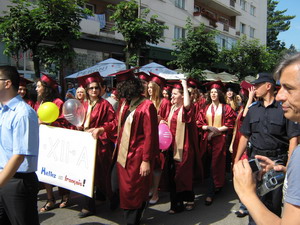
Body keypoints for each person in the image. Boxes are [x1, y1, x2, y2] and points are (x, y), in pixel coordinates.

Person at [234, 53, 300, 225]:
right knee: (256, 210)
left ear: (268, 86)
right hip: (256, 160)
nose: (254, 88)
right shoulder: (254, 109)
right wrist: (236, 159)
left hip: (277, 159)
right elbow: (244, 135)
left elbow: (293, 138)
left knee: (273, 205)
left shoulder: (284, 109)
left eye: (289, 88)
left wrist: (289, 166)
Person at [97, 68, 159, 225]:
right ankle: (135, 211)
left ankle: (132, 220)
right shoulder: (125, 103)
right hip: (122, 154)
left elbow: (150, 136)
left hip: (137, 157)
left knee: (133, 190)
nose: (119, 88)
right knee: (119, 187)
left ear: (130, 85)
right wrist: (102, 128)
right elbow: (116, 123)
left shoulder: (146, 106)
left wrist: (146, 160)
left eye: (121, 85)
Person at [0, 65, 40, 225]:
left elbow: (18, 156)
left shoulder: (23, 113)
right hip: (4, 177)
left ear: (7, 83)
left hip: (18, 182)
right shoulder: (3, 110)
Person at [76, 72, 116, 218]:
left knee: (103, 175)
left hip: (100, 145)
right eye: (91, 88)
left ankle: (113, 198)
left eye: (96, 88)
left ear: (100, 89)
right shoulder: (83, 104)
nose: (94, 91)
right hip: (85, 145)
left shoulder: (105, 105)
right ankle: (88, 205)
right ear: (86, 90)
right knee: (86, 175)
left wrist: (100, 129)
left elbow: (113, 123)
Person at [162, 80, 201, 214]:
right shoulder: (172, 108)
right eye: (171, 94)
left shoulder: (185, 110)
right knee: (174, 175)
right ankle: (176, 204)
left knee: (183, 175)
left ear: (182, 96)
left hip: (184, 147)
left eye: (174, 94)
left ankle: (189, 199)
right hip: (171, 147)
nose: (171, 96)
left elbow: (187, 105)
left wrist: (184, 85)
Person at [35, 73, 71, 212]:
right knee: (45, 170)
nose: (37, 89)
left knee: (60, 170)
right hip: (43, 141)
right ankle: (50, 199)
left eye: (39, 86)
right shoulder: (40, 103)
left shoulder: (58, 102)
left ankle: (65, 196)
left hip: (56, 142)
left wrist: (48, 121)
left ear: (46, 87)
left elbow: (65, 122)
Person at [197, 80, 236, 205]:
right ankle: (215, 186)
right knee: (208, 165)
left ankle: (210, 193)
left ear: (220, 94)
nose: (213, 94)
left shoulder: (226, 108)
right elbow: (199, 122)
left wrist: (217, 130)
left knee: (216, 166)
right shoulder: (205, 108)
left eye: (215, 92)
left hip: (220, 141)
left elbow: (230, 124)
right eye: (212, 92)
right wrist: (208, 128)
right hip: (207, 140)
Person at [229, 81, 255, 218]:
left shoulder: (252, 107)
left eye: (241, 93)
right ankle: (244, 204)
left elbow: (245, 118)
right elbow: (236, 127)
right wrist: (232, 143)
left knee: (245, 175)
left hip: (247, 146)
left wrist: (251, 98)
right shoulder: (241, 108)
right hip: (239, 143)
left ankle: (245, 207)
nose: (239, 95)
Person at [147, 72, 171, 205]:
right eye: (148, 87)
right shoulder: (146, 102)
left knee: (157, 167)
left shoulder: (164, 102)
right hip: (147, 138)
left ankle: (155, 193)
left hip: (159, 139)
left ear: (157, 88)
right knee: (149, 166)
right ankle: (151, 188)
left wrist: (161, 120)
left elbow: (168, 120)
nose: (149, 89)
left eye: (151, 87)